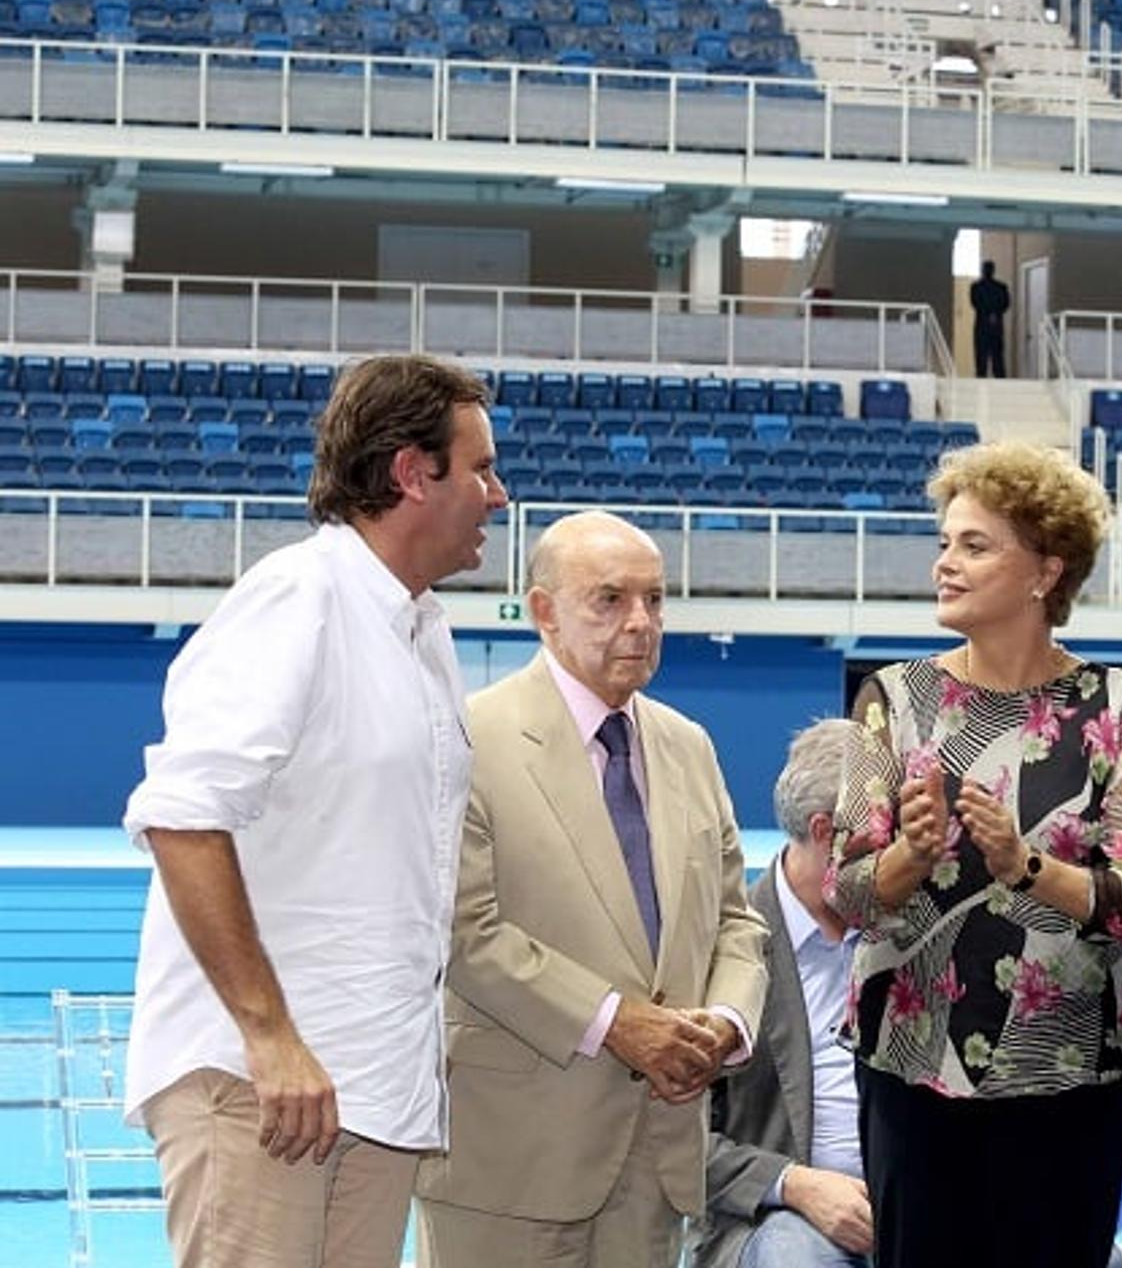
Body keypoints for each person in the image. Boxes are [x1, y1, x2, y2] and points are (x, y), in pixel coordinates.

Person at [121, 354, 507, 1268]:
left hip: (374, 1088)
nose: (497, 494)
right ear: (414, 474)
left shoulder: (423, 634)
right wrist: (269, 1034)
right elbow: (181, 816)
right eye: (482, 467)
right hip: (263, 1085)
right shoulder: (298, 598)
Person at [826, 442, 1122, 1268]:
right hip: (911, 1069)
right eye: (945, 542)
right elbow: (850, 892)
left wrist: (1024, 866)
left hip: (1074, 1073)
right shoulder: (893, 697)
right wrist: (913, 851)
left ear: (1046, 571)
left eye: (975, 545)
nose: (946, 562)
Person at [415, 509, 768, 1268]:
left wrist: (726, 1021)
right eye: (609, 599)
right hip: (509, 1160)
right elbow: (462, 931)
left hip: (655, 1162)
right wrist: (615, 1021)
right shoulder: (467, 737)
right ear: (544, 612)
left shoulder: (689, 745)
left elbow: (737, 921)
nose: (640, 622)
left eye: (655, 599)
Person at [694, 718, 872, 1268]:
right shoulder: (717, 948)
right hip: (776, 1218)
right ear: (825, 832)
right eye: (883, 830)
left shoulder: (917, 931)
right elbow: (672, 1140)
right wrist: (792, 1184)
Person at [969, 260, 1010, 379]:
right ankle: (998, 377)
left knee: (984, 354)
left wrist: (988, 313)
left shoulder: (976, 287)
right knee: (995, 354)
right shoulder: (1001, 287)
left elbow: (975, 303)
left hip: (982, 324)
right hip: (995, 323)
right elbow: (1005, 304)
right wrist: (994, 313)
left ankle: (984, 376)